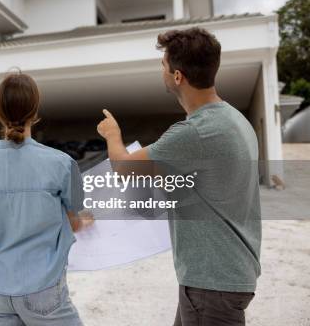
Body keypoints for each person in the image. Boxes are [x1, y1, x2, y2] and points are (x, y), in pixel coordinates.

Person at [97, 27, 261, 326]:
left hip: (212, 283)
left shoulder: (196, 132)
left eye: (163, 65)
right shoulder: (236, 120)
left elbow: (122, 168)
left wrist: (112, 134)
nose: (161, 70)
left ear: (177, 76)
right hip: (222, 276)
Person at [0, 71, 88, 326]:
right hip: (43, 292)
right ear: (35, 112)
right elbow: (74, 223)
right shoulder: (62, 164)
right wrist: (85, 220)